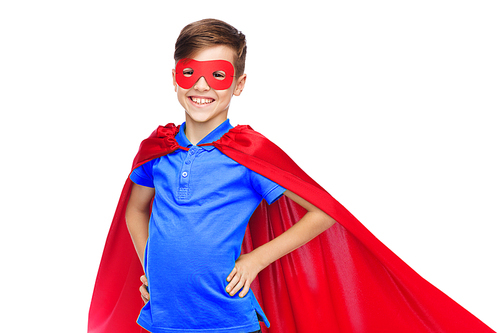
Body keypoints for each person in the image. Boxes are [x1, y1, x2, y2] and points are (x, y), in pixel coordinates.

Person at [89, 19, 494, 333]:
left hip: (227, 316)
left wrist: (256, 260)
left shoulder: (247, 154)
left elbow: (323, 211)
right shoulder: (158, 150)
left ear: (239, 84)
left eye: (217, 75)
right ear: (174, 78)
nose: (202, 86)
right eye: (190, 73)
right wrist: (151, 265)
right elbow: (136, 211)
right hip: (162, 316)